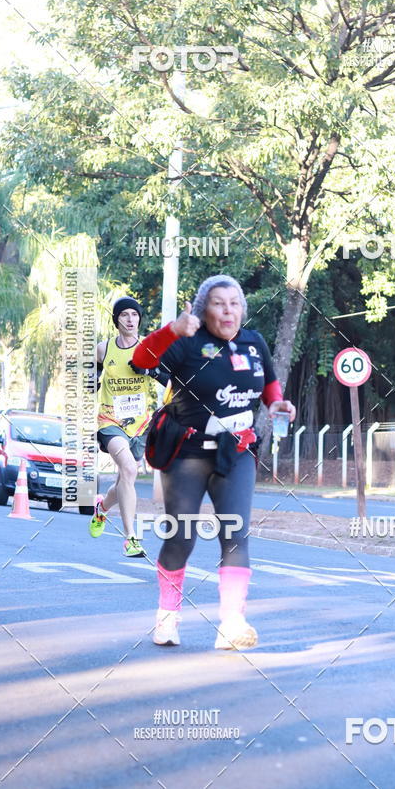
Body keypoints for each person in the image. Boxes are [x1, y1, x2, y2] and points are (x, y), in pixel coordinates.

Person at [131, 275, 296, 650]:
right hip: (187, 453)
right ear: (204, 309)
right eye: (219, 303)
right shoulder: (186, 342)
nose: (228, 310)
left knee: (235, 533)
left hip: (236, 452)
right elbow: (141, 359)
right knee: (182, 537)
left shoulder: (254, 343)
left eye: (235, 303)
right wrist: (172, 329)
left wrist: (276, 404)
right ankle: (167, 617)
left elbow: (269, 383)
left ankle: (232, 622)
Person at [89, 296, 169, 556]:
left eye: (134, 315)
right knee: (129, 470)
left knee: (125, 478)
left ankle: (102, 508)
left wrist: (148, 371)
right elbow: (86, 376)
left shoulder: (149, 347)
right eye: (124, 315)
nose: (130, 319)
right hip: (110, 421)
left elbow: (170, 380)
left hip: (140, 423)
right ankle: (130, 538)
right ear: (117, 320)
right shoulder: (103, 349)